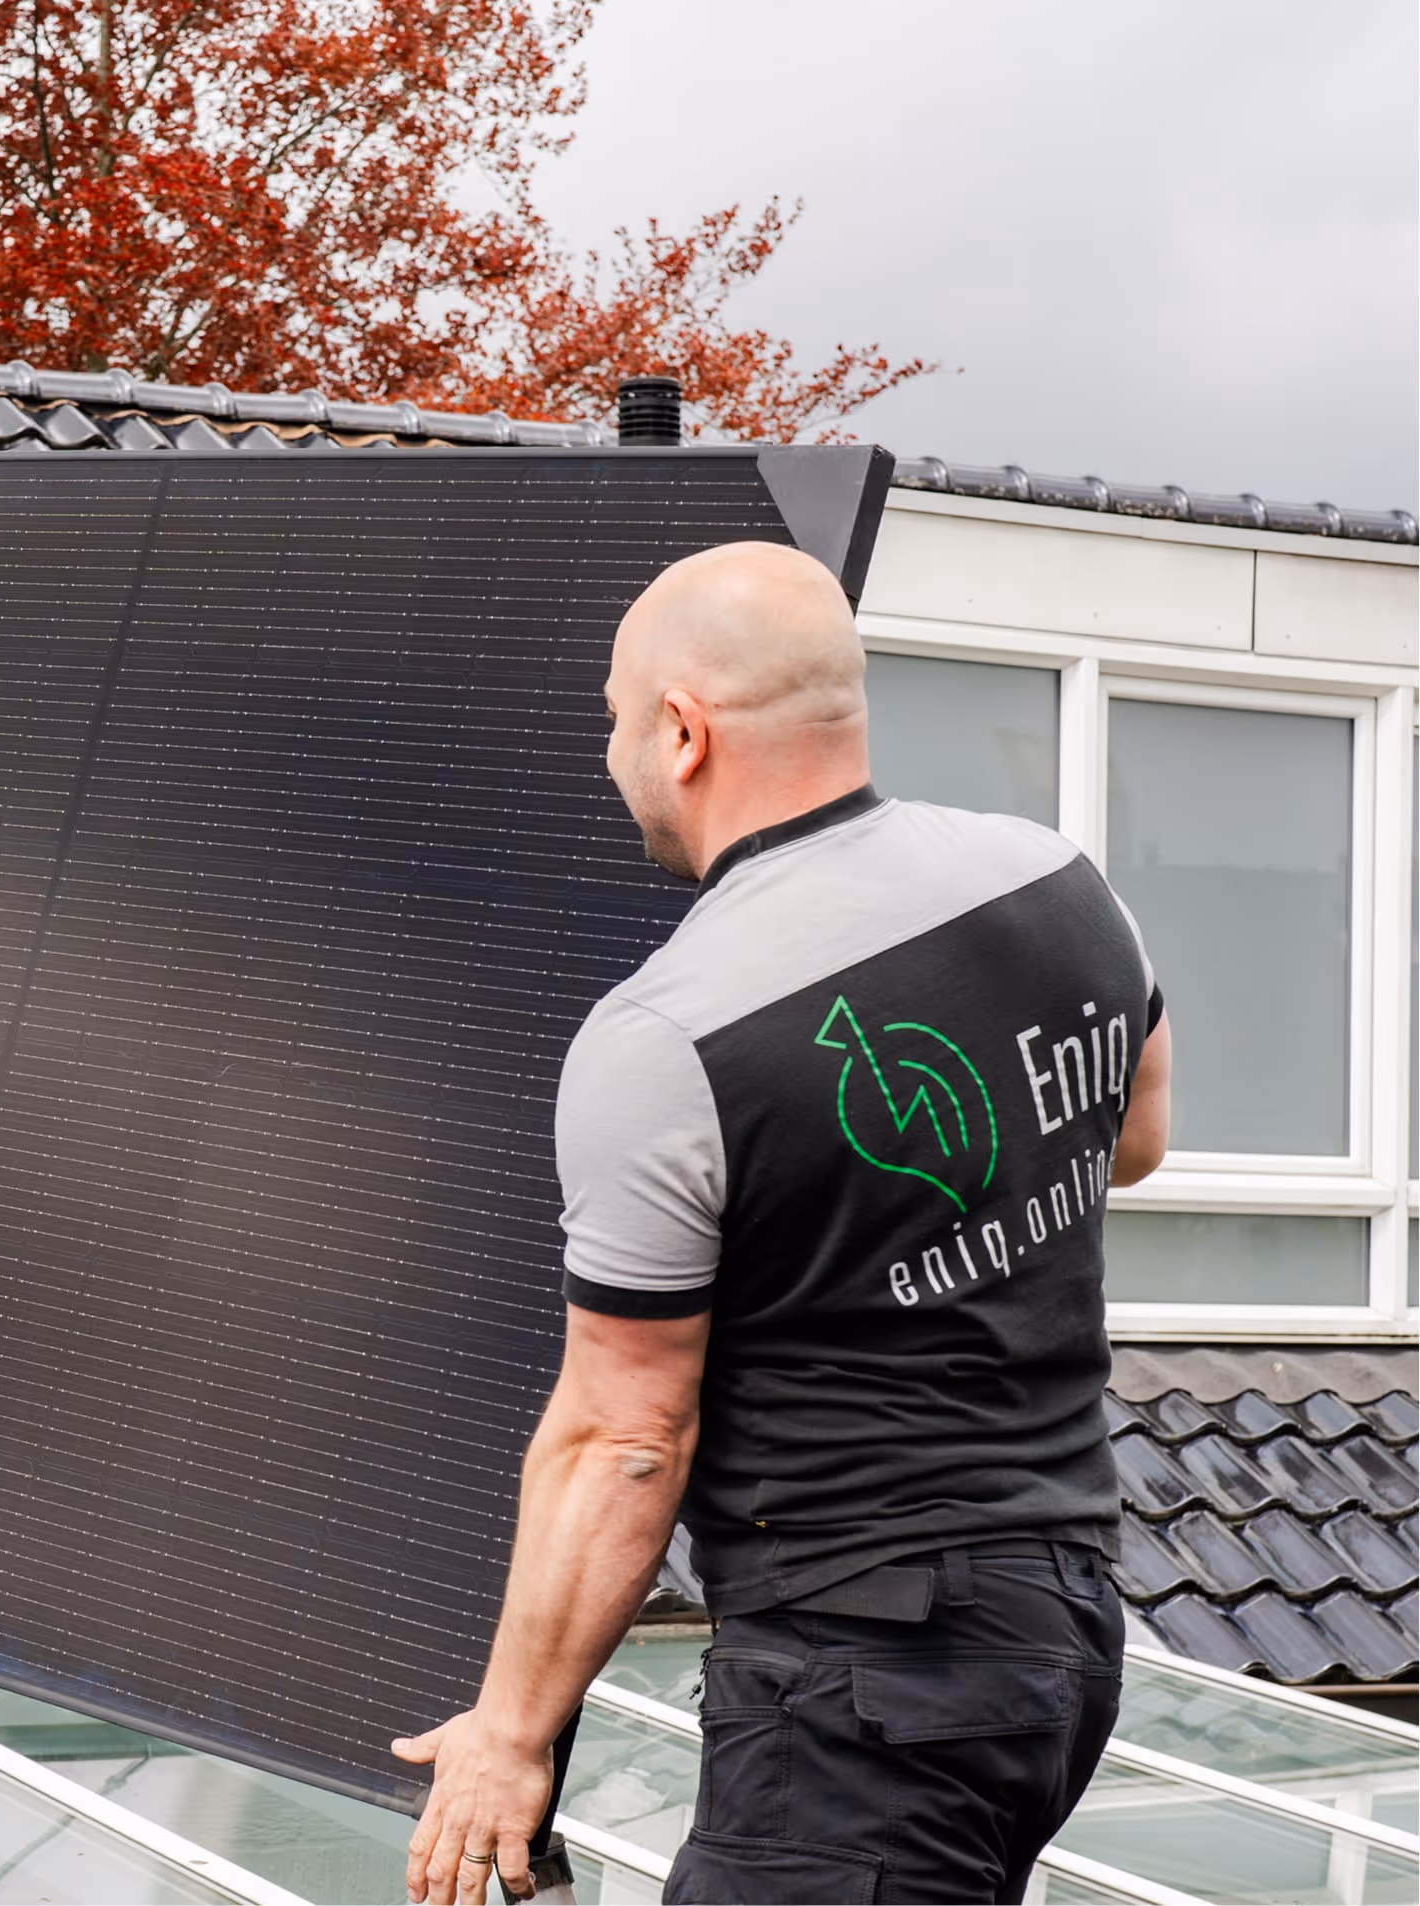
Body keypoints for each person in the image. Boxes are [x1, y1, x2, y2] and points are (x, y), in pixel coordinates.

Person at [391, 541, 1172, 1906]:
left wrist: (507, 1737)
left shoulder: (667, 1033)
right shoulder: (1054, 878)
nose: (612, 752)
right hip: (1062, 1633)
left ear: (682, 733)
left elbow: (625, 1439)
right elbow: (1133, 1137)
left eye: (616, 719)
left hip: (865, 1684)